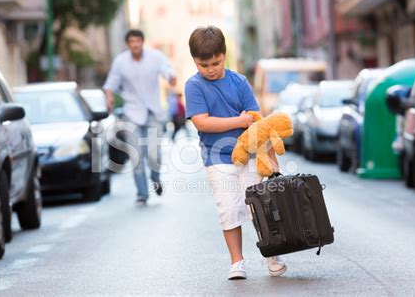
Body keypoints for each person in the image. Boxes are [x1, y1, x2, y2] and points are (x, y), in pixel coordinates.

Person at [184, 26, 287, 280]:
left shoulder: (239, 82)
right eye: (203, 64)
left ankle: (272, 255)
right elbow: (202, 123)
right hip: (216, 157)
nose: (210, 69)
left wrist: (271, 156)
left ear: (224, 54)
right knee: (228, 209)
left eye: (215, 63)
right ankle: (237, 262)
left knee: (258, 207)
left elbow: (258, 122)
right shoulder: (193, 86)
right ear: (194, 61)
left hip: (250, 155)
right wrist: (238, 122)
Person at [104, 29, 177, 206]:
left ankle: (155, 178)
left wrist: (171, 77)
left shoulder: (155, 57)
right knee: (136, 156)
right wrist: (109, 97)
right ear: (128, 44)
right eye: (131, 42)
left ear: (142, 42)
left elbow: (167, 70)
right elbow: (111, 83)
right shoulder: (121, 62)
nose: (135, 44)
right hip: (132, 113)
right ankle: (142, 194)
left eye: (138, 41)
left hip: (152, 111)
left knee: (154, 155)